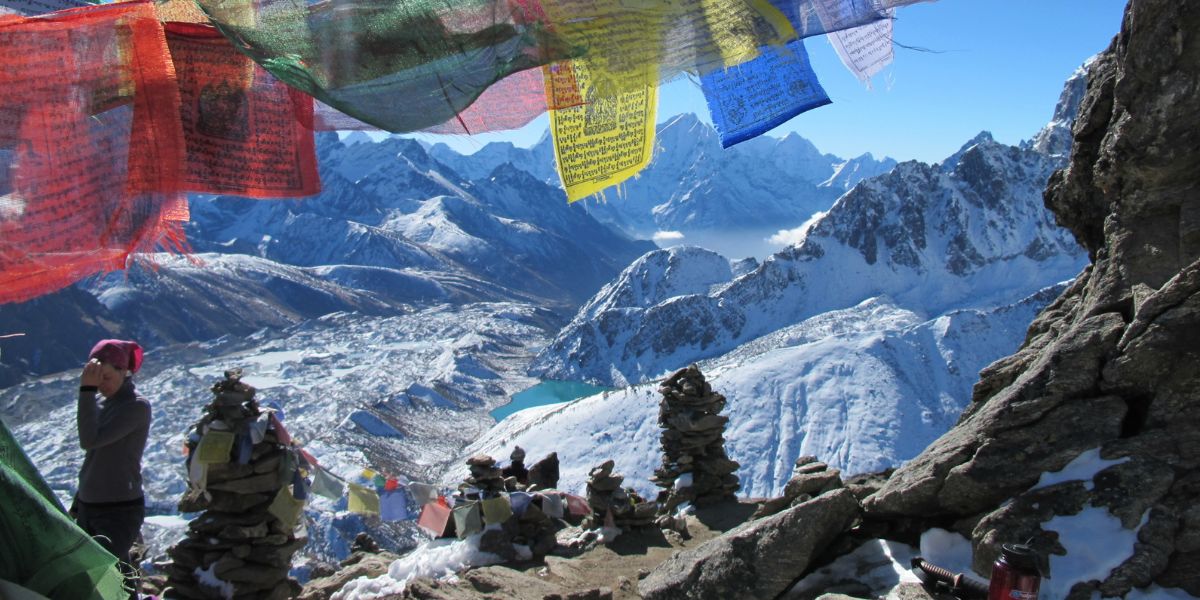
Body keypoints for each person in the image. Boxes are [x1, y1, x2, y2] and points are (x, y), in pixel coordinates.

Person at [74, 339, 151, 599]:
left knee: (111, 576)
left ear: (123, 371)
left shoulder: (136, 406)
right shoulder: (103, 404)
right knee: (98, 577)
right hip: (89, 505)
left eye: (106, 377)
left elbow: (89, 441)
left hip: (118, 509)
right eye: (97, 378)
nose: (101, 385)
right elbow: (94, 459)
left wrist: (86, 391)